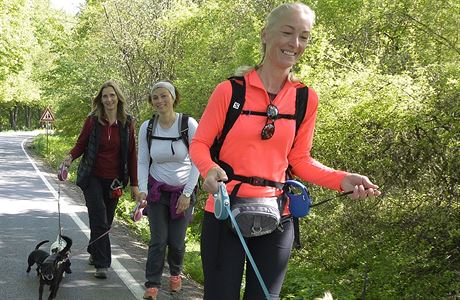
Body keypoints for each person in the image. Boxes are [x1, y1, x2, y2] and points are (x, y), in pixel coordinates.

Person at [189, 3, 381, 299]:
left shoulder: (305, 98)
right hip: (225, 211)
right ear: (266, 35)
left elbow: (300, 160)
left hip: (278, 216)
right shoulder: (230, 91)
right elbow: (200, 143)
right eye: (288, 33)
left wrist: (343, 179)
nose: (295, 44)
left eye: (304, 37)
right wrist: (209, 170)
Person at [62, 80, 139, 279]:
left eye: (112, 95)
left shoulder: (127, 122)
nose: (109, 99)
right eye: (105, 96)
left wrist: (135, 184)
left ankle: (94, 250)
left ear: (118, 98)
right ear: (100, 99)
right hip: (93, 177)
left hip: (115, 180)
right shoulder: (93, 120)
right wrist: (70, 157)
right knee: (99, 217)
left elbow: (132, 154)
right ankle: (102, 264)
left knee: (107, 221)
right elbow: (81, 144)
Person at [136, 81, 199, 300]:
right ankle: (152, 285)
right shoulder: (147, 127)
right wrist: (142, 189)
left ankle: (175, 273)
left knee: (177, 241)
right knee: (158, 240)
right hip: (156, 191)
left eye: (164, 96)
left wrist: (187, 194)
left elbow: (198, 161)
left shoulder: (188, 124)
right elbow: (143, 161)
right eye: (155, 97)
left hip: (183, 192)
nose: (160, 101)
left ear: (173, 97)